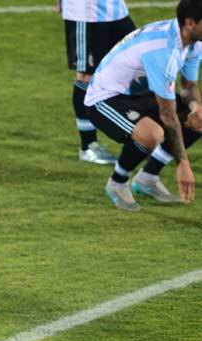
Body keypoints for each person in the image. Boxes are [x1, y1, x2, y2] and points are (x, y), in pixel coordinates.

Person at [84, 0, 202, 211]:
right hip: (106, 97)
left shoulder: (193, 42)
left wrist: (196, 106)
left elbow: (188, 85)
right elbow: (168, 116)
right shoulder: (163, 50)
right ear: (190, 23)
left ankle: (147, 178)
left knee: (200, 118)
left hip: (138, 92)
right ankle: (118, 182)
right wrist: (183, 164)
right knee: (152, 134)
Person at [58, 0, 136, 164]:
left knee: (135, 65)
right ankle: (88, 146)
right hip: (86, 12)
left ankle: (140, 134)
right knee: (87, 76)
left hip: (116, 9)